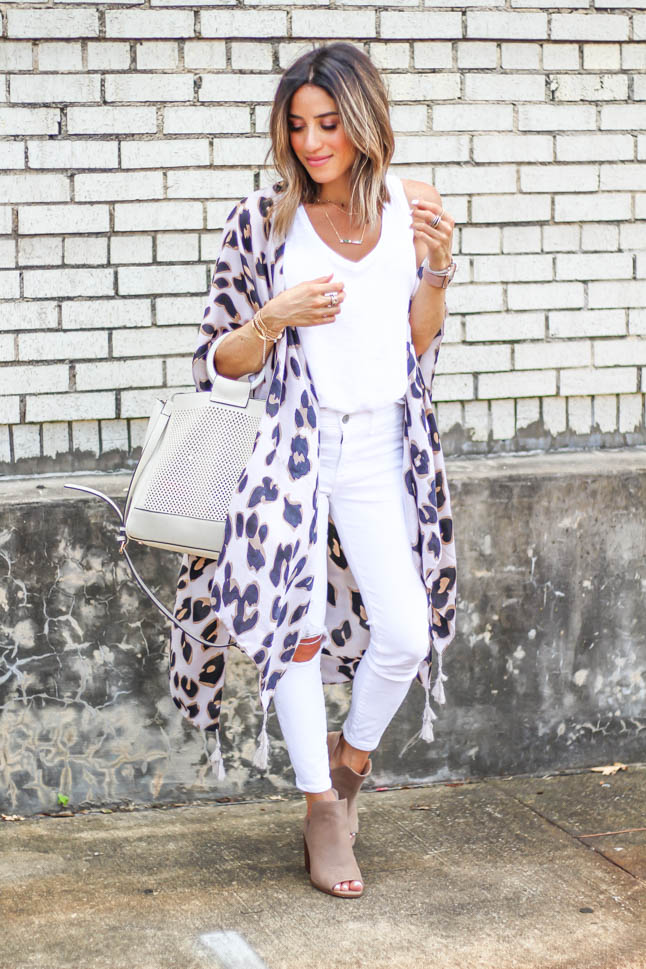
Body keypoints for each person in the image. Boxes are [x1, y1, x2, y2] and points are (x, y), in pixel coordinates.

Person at [169, 42, 457, 900]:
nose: (312, 141)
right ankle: (320, 805)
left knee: (406, 629)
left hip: (377, 449)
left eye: (329, 123)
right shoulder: (262, 220)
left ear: (365, 121)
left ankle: (352, 763)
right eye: (297, 125)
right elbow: (216, 362)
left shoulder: (414, 207)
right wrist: (272, 316)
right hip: (286, 450)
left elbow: (415, 343)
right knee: (291, 629)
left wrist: (438, 269)